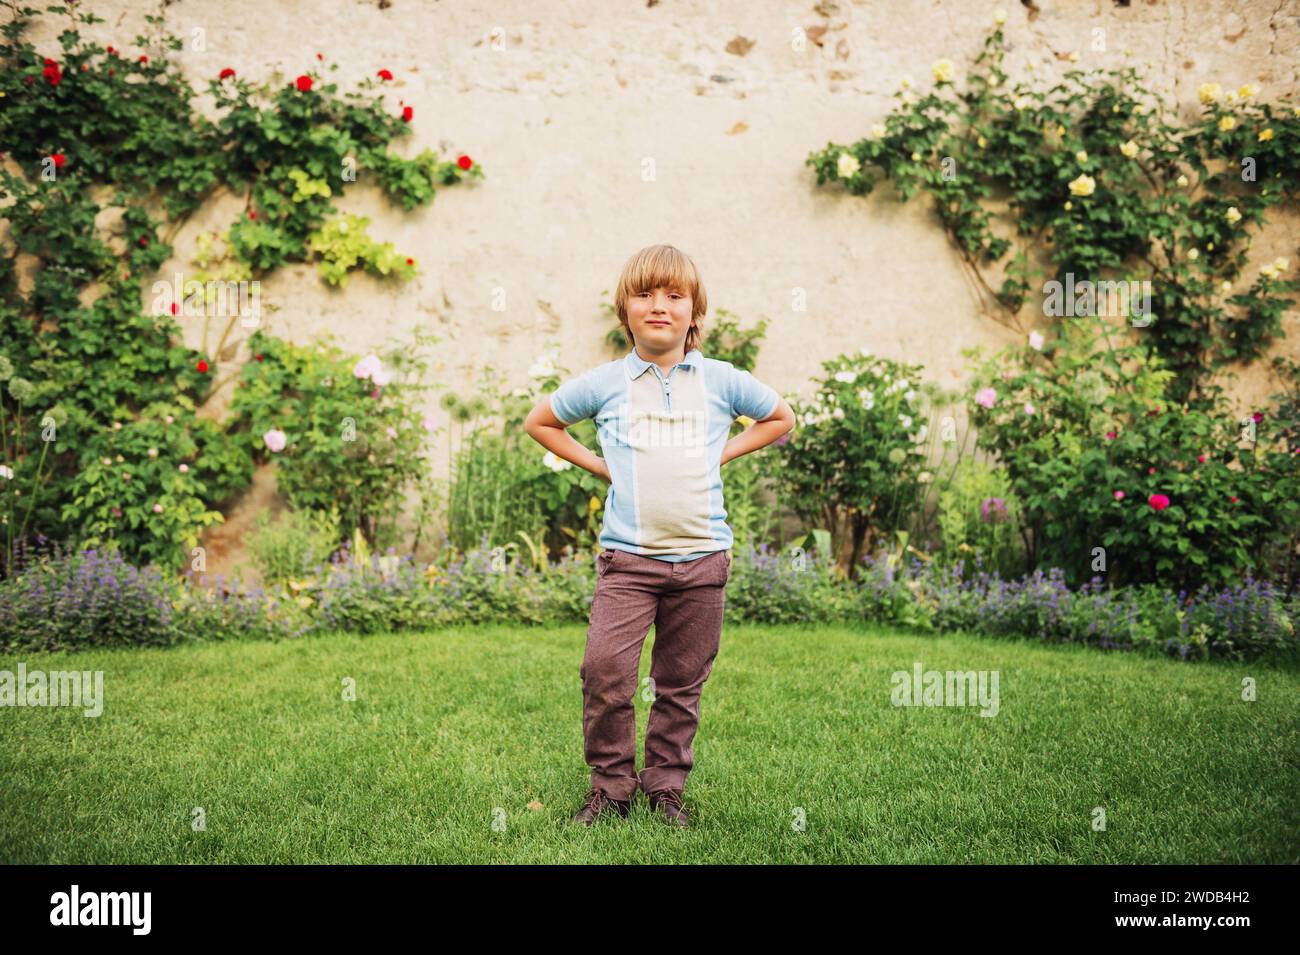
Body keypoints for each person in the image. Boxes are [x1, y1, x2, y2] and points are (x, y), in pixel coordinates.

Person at [524, 244, 795, 828]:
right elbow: (540, 422)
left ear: (695, 311)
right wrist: (599, 465)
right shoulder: (607, 383)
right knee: (604, 674)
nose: (659, 306)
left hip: (702, 563)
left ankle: (665, 786)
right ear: (625, 309)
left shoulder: (720, 381)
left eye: (675, 296)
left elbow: (781, 418)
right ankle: (611, 788)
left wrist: (723, 452)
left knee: (679, 684)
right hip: (628, 562)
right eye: (645, 294)